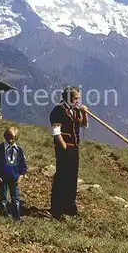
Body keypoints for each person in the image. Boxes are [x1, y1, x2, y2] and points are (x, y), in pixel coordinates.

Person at [49, 86, 89, 219]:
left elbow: (83, 125)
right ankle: (57, 210)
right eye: (76, 98)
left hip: (75, 148)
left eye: (78, 98)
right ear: (69, 98)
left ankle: (70, 207)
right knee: (62, 178)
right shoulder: (58, 110)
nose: (78, 100)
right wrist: (64, 147)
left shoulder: (76, 110)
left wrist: (84, 113)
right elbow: (56, 132)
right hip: (64, 149)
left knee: (72, 178)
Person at [0, 126, 27, 221]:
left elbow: (22, 165)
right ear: (5, 136)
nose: (10, 140)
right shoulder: (0, 148)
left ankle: (16, 216)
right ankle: (4, 213)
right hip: (2, 177)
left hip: (14, 177)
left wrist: (21, 176)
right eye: (8, 138)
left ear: (16, 138)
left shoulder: (19, 150)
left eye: (13, 138)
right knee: (3, 196)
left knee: (15, 197)